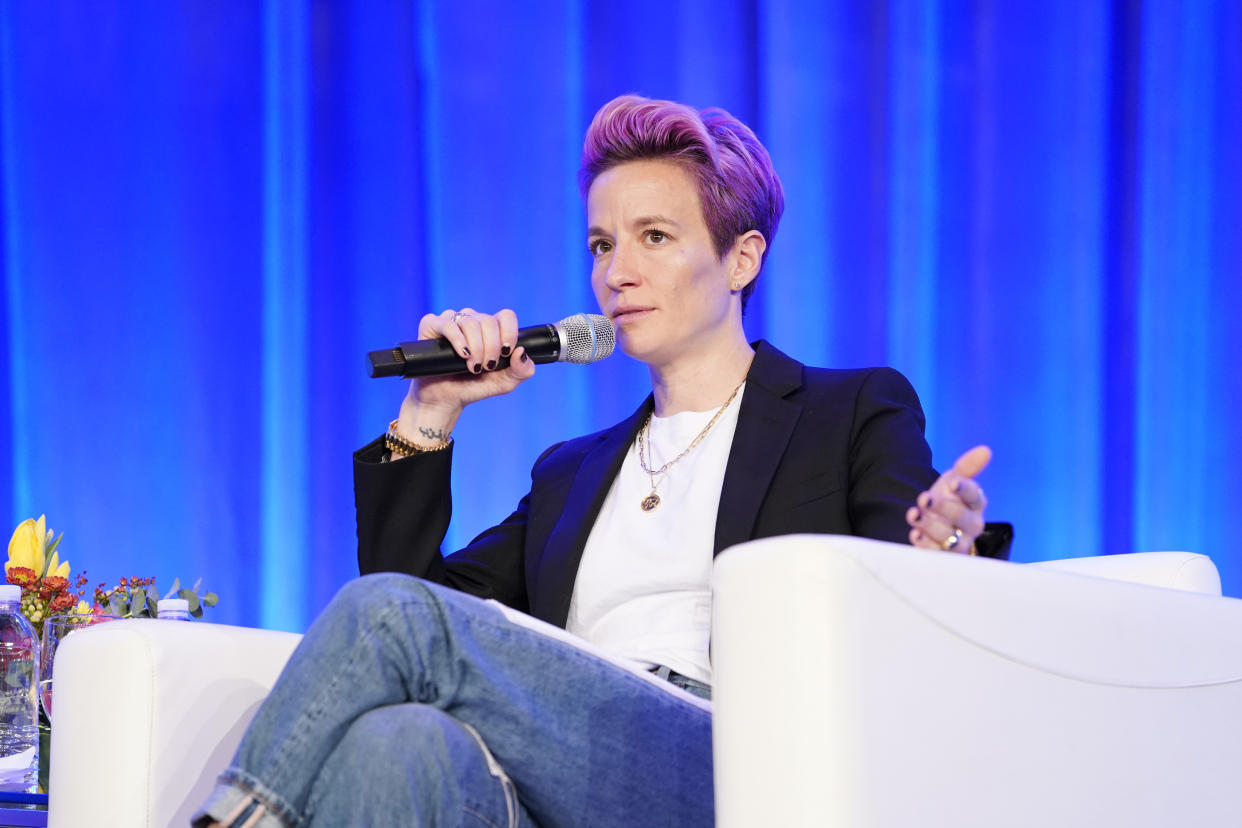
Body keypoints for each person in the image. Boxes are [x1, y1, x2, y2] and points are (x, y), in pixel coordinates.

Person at [194, 94, 1004, 828]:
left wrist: (942, 550)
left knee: (394, 622)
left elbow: (902, 580)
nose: (617, 274)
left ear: (741, 259)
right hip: (566, 772)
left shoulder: (849, 410)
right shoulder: (571, 472)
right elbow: (413, 596)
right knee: (401, 742)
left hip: (735, 767)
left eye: (655, 237)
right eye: (601, 243)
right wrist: (429, 413)